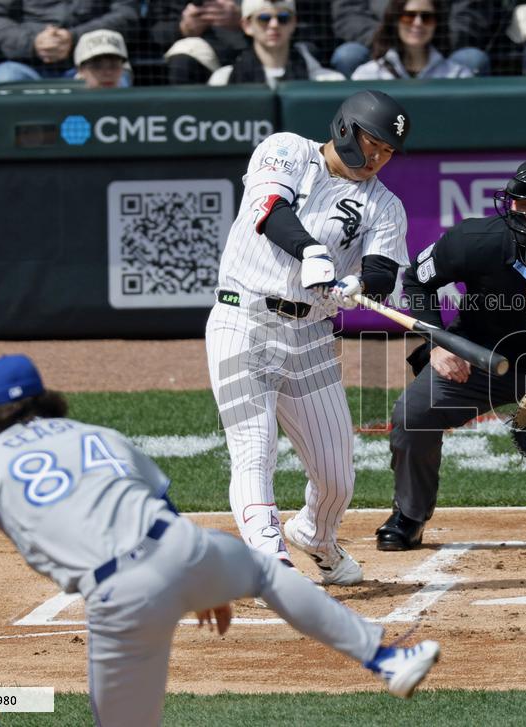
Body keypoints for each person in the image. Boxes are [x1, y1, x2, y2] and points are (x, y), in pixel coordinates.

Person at [0, 354, 441, 726]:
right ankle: (385, 658)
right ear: (44, 398)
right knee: (264, 572)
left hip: (120, 596)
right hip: (182, 546)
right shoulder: (94, 434)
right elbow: (162, 501)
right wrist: (206, 583)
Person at [205, 90, 410, 585]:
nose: (379, 158)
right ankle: (269, 555)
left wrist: (359, 284)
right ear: (346, 128)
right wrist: (312, 251)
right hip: (243, 320)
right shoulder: (288, 149)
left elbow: (384, 268)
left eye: (388, 151)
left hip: (311, 337)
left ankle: (316, 535)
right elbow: (270, 208)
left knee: (337, 475)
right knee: (255, 448)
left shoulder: (384, 203)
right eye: (374, 143)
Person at [375, 159, 526, 551]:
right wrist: (439, 345)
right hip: (479, 361)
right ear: (511, 205)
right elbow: (417, 281)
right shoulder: (473, 239)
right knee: (413, 413)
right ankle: (410, 515)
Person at [0, 0, 138, 89]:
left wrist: (74, 38)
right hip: (26, 65)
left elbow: (126, 14)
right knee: (4, 78)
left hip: (92, 63)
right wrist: (33, 43)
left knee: (117, 80)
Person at [330, 0, 493, 78]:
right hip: (374, 45)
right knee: (348, 55)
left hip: (445, 44)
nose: (417, 22)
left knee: (472, 59)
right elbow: (348, 13)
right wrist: (389, 36)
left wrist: (432, 35)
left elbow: (471, 13)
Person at [205, 0, 343, 86]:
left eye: (283, 18)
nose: (274, 25)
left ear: (293, 22)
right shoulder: (223, 80)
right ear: (247, 25)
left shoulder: (327, 81)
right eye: (264, 19)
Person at [150, 0, 248, 84]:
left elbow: (261, 10)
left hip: (248, 50)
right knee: (182, 62)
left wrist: (242, 16)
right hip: (198, 60)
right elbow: (153, 33)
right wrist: (182, 28)